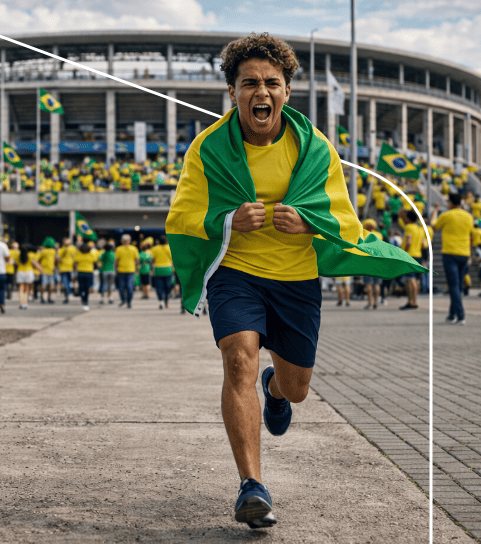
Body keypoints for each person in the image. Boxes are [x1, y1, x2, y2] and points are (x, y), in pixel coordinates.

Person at [164, 33, 424, 529]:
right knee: (237, 357)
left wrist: (309, 223)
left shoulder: (314, 147)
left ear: (286, 92)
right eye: (249, 84)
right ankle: (252, 486)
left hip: (296, 278)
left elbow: (345, 222)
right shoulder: (208, 148)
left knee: (297, 387)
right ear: (233, 92)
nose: (261, 92)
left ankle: (276, 391)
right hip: (235, 272)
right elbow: (183, 213)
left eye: (271, 83)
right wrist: (226, 220)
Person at [431, 194, 473, 324]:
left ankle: (461, 315)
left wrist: (436, 210)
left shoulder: (447, 215)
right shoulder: (469, 216)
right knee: (458, 286)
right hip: (464, 253)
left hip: (450, 253)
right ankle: (452, 314)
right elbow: (470, 235)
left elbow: (434, 226)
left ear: (450, 203)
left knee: (453, 286)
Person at [400, 210, 426, 310]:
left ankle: (411, 302)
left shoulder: (409, 228)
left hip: (410, 255)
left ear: (408, 218)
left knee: (410, 280)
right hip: (418, 255)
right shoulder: (420, 229)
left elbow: (408, 242)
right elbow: (424, 245)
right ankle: (414, 301)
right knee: (416, 280)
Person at [115, 234, 140, 308]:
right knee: (128, 287)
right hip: (127, 271)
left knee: (124, 287)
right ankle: (126, 301)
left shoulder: (120, 249)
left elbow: (116, 261)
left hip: (127, 271)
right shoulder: (133, 248)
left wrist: (116, 269)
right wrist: (136, 267)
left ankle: (127, 301)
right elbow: (137, 260)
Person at [149, 236, 173, 310]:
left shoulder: (155, 249)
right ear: (166, 241)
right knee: (168, 286)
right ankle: (166, 299)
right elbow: (173, 259)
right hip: (168, 269)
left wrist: (151, 267)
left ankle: (161, 301)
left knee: (159, 287)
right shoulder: (170, 248)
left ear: (158, 242)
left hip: (158, 270)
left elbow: (152, 260)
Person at [15, 244, 41, 309]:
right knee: (26, 289)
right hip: (29, 272)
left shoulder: (18, 255)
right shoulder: (31, 255)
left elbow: (16, 263)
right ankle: (25, 303)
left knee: (21, 289)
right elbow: (35, 264)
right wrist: (40, 270)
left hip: (20, 272)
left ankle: (21, 303)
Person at [73, 241, 95, 311]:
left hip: (81, 272)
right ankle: (86, 301)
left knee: (81, 287)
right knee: (87, 288)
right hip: (89, 272)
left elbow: (75, 262)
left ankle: (82, 299)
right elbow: (95, 260)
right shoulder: (91, 255)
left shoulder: (78, 255)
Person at [39, 237, 58, 304]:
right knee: (50, 286)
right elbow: (56, 260)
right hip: (51, 270)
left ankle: (42, 298)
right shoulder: (54, 251)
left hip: (43, 270)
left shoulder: (42, 251)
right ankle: (49, 298)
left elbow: (38, 259)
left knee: (43, 285)